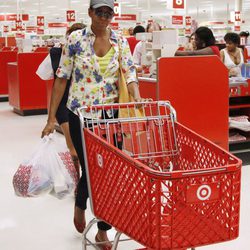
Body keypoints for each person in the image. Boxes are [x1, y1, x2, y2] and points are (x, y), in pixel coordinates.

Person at [41, 0, 142, 249]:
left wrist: (136, 96)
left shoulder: (119, 41)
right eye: (100, 12)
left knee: (109, 172)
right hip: (81, 114)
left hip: (111, 115)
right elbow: (62, 79)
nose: (104, 17)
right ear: (90, 13)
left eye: (109, 13)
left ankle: (102, 230)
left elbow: (129, 73)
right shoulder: (75, 39)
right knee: (92, 169)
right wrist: (50, 118)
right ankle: (80, 203)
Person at [37, 23, 86, 177]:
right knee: (80, 147)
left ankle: (79, 180)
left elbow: (43, 74)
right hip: (80, 104)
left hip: (64, 104)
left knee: (73, 146)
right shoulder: (90, 53)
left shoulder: (57, 52)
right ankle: (83, 181)